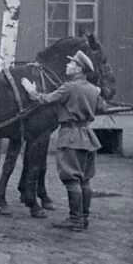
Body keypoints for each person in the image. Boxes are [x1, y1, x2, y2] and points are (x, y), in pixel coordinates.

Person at [21, 50, 108, 232]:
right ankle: (83, 219)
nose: (67, 66)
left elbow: (46, 100)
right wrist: (94, 94)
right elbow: (102, 107)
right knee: (85, 180)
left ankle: (75, 220)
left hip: (71, 136)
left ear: (78, 69)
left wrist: (32, 91)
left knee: (71, 178)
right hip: (88, 137)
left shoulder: (69, 87)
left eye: (71, 64)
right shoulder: (93, 89)